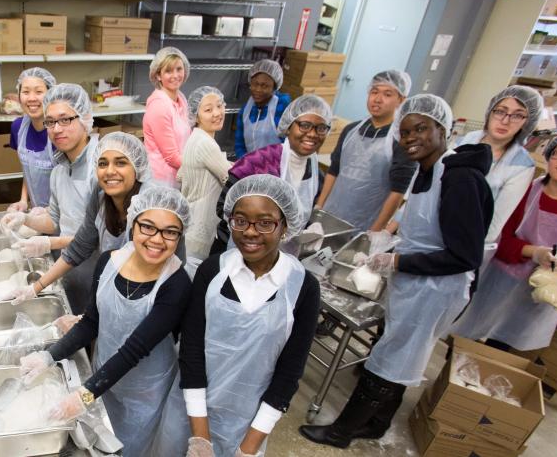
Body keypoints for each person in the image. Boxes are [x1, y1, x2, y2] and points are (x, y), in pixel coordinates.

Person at [300, 94, 493, 449]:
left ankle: (342, 431)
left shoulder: (460, 179)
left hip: (436, 291)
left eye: (420, 129)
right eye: (404, 133)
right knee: (402, 352)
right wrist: (387, 234)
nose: (410, 139)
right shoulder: (428, 169)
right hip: (416, 282)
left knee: (391, 356)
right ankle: (376, 423)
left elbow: (464, 255)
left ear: (443, 129)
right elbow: (427, 225)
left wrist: (398, 261)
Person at [17, 185, 193, 457]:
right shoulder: (109, 262)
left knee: (131, 449)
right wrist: (48, 357)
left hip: (145, 393)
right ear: (133, 225)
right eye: (148, 227)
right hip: (104, 377)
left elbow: (135, 348)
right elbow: (90, 323)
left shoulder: (177, 283)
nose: (157, 239)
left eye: (170, 232)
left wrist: (84, 396)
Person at [157, 174, 320, 457]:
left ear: (285, 226)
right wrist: (200, 439)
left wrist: (247, 449)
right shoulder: (213, 271)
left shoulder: (302, 286)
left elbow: (289, 373)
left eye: (266, 222)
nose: (250, 232)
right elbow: (192, 350)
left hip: (247, 424)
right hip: (190, 409)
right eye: (240, 220)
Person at [453, 128, 557, 352]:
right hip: (504, 275)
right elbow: (499, 237)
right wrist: (536, 253)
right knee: (471, 329)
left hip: (549, 282)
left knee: (505, 340)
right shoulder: (527, 190)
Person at [7, 132, 185, 304]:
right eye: (103, 163)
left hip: (156, 297)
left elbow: (149, 273)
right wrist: (36, 288)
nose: (110, 171)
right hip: (118, 289)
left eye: (120, 163)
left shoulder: (152, 206)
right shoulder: (100, 196)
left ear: (137, 168)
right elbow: (79, 248)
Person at [0, 83, 98, 313]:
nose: (57, 129)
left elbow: (101, 236)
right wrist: (24, 219)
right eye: (50, 122)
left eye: (65, 120)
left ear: (84, 118)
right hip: (71, 268)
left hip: (100, 270)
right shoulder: (60, 169)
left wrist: (49, 242)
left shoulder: (102, 167)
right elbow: (54, 220)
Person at [209, 94, 333, 255]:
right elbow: (223, 207)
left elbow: (300, 213)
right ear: (289, 126)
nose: (312, 133)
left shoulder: (316, 175)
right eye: (304, 125)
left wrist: (311, 228)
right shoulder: (257, 162)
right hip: (236, 250)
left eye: (321, 128)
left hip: (278, 258)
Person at [317, 69, 416, 232]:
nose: (377, 99)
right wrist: (319, 207)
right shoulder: (351, 130)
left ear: (401, 100)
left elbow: (397, 191)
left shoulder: (401, 139)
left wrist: (373, 233)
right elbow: (333, 171)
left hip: (364, 224)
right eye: (374, 92)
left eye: (387, 94)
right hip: (330, 213)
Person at [453, 85, 543, 264]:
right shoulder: (466, 140)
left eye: (517, 115)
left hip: (465, 246)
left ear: (528, 121)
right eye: (500, 111)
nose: (505, 121)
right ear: (490, 112)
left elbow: (493, 226)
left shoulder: (521, 165)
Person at [179, 86, 232, 262]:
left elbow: (181, 174)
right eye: (208, 110)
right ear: (196, 116)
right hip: (200, 226)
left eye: (219, 106)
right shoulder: (205, 144)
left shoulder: (196, 138)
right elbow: (229, 178)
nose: (217, 113)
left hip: (192, 221)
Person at [8, 67, 58, 211]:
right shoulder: (18, 127)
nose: (31, 98)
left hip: (65, 215)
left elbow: (72, 183)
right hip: (37, 211)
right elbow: (30, 168)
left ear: (51, 94)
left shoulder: (59, 130)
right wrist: (24, 200)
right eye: (25, 92)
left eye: (38, 92)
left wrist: (50, 213)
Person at [143, 47, 192, 187]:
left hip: (179, 176)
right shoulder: (159, 106)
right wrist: (200, 166)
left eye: (179, 69)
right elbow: (171, 157)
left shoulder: (180, 99)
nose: (175, 75)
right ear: (158, 75)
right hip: (162, 182)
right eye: (168, 71)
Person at [234, 59, 292, 158]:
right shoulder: (246, 111)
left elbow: (288, 145)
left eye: (264, 86)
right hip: (251, 168)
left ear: (275, 87)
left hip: (276, 168)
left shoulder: (282, 108)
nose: (258, 89)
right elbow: (239, 145)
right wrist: (247, 164)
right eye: (254, 84)